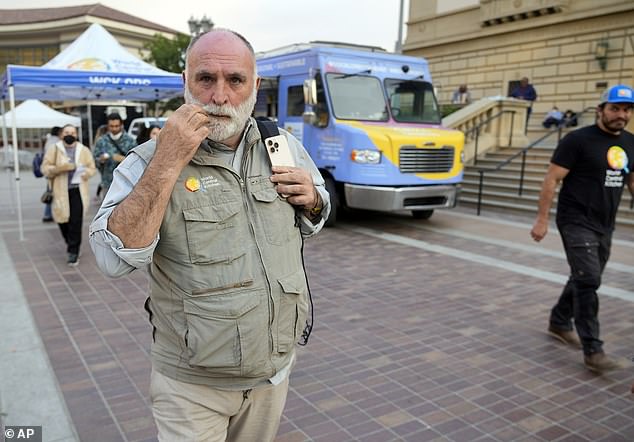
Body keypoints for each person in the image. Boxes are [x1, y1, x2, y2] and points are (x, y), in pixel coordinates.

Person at [89, 28, 330, 441]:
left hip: (273, 373)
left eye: (235, 81)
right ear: (185, 83)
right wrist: (168, 158)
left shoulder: (280, 145)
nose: (220, 96)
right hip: (193, 387)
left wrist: (313, 199)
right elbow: (112, 260)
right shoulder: (148, 159)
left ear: (254, 86)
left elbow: (315, 212)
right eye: (206, 79)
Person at [530, 84, 634, 374]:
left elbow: (632, 181)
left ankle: (559, 321)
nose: (621, 115)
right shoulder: (578, 140)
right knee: (589, 279)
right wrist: (542, 220)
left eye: (626, 110)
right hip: (575, 220)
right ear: (601, 110)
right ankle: (594, 350)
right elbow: (551, 179)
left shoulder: (631, 143)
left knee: (585, 276)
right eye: (615, 108)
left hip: (605, 224)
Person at [41, 124, 97, 266]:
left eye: (72, 132)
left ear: (76, 134)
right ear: (61, 134)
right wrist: (59, 168)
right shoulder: (54, 150)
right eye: (66, 132)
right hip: (60, 191)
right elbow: (45, 168)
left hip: (78, 191)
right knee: (62, 220)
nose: (69, 134)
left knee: (75, 222)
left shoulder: (83, 150)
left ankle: (73, 251)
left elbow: (92, 167)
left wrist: (85, 173)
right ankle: (70, 242)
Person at [93, 113, 136, 199]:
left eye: (116, 126)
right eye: (111, 126)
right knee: (108, 211)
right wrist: (101, 160)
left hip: (126, 183)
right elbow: (95, 159)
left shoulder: (130, 141)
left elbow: (136, 161)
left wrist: (123, 159)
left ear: (121, 125)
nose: (114, 128)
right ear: (108, 126)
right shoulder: (102, 141)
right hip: (108, 182)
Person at [42, 126, 61, 222]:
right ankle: (48, 214)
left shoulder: (48, 141)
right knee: (53, 193)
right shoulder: (57, 143)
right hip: (55, 172)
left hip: (49, 171)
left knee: (50, 192)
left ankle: (47, 214)